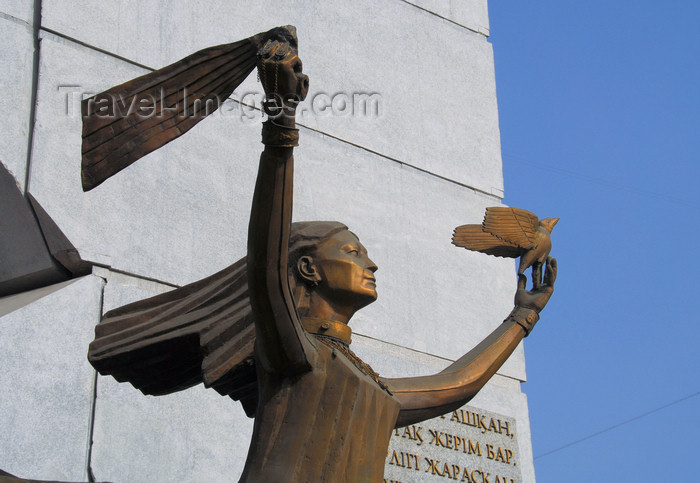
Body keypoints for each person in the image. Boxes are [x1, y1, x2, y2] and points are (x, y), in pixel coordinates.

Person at [238, 38, 557, 482]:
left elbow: (454, 387)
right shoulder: (293, 349)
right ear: (309, 268)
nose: (372, 265)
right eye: (352, 253)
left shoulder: (360, 380)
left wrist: (521, 317)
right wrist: (281, 121)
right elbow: (267, 260)